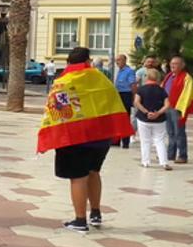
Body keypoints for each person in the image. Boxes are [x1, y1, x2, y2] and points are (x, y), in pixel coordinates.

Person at [38, 47, 133, 233]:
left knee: (77, 178)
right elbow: (113, 102)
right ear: (88, 61)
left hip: (75, 137)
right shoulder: (102, 79)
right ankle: (95, 213)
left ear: (68, 62)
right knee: (94, 172)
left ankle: (80, 220)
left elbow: (55, 111)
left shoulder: (62, 82)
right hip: (100, 137)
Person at [162, 56, 193, 164]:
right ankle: (170, 154)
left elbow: (187, 93)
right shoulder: (168, 76)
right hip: (167, 107)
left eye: (176, 64)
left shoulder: (186, 78)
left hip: (178, 108)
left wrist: (182, 108)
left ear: (182, 65)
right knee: (170, 132)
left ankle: (182, 155)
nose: (172, 65)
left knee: (179, 133)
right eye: (172, 63)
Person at [135, 68, 172, 170]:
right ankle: (164, 162)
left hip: (143, 119)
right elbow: (167, 105)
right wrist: (158, 113)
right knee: (160, 141)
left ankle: (145, 162)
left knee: (145, 141)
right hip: (159, 120)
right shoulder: (162, 90)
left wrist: (146, 112)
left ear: (146, 77)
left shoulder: (141, 89)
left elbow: (137, 102)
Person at [114, 54, 137, 149]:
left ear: (124, 60)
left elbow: (133, 85)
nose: (117, 62)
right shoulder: (119, 71)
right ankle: (117, 140)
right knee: (118, 118)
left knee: (125, 119)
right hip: (119, 95)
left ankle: (125, 141)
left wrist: (134, 97)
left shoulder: (129, 71)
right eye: (116, 60)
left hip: (126, 95)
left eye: (119, 60)